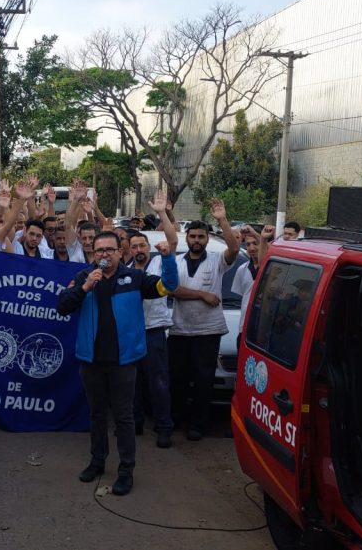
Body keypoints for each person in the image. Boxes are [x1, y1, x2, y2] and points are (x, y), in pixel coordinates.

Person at [56, 231, 179, 496]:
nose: (104, 255)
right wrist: (85, 288)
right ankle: (97, 462)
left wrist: (168, 258)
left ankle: (126, 471)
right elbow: (62, 306)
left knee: (123, 417)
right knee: (97, 414)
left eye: (109, 250)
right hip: (91, 361)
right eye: (99, 250)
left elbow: (167, 286)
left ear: (119, 252)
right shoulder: (84, 277)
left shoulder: (134, 278)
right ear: (93, 254)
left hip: (124, 362)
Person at [167, 198, 240, 441]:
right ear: (187, 238)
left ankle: (199, 424)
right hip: (179, 329)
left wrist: (222, 219)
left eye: (201, 236)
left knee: (203, 380)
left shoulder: (217, 260)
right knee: (177, 378)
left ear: (208, 239)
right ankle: (176, 418)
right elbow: (172, 290)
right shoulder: (176, 262)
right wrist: (202, 295)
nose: (196, 240)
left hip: (208, 331)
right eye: (193, 236)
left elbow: (234, 249)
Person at [127, 191, 178, 448]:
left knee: (158, 382)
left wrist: (161, 213)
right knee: (132, 383)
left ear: (148, 247)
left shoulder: (160, 263)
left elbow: (172, 239)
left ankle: (164, 427)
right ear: (129, 249)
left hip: (154, 331)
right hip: (131, 333)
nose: (139, 250)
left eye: (142, 246)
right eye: (134, 246)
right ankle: (135, 423)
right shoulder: (124, 271)